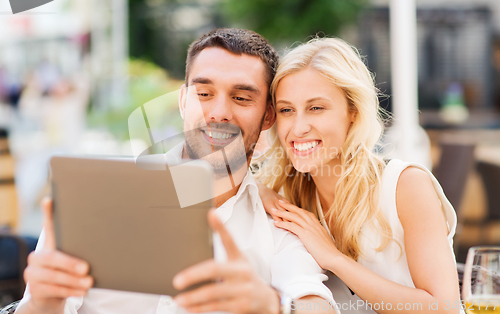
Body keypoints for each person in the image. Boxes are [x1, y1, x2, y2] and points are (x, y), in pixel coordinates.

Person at [15, 28, 336, 314]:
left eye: (241, 98)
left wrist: (272, 305)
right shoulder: (93, 198)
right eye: (204, 93)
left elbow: (318, 305)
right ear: (183, 102)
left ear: (268, 116)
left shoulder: (280, 227)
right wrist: (41, 305)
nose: (220, 112)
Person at [254, 37, 462, 314]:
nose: (298, 127)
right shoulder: (290, 196)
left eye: (316, 108)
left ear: (353, 111)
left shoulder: (404, 185)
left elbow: (444, 308)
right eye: (286, 110)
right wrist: (255, 188)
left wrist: (334, 259)